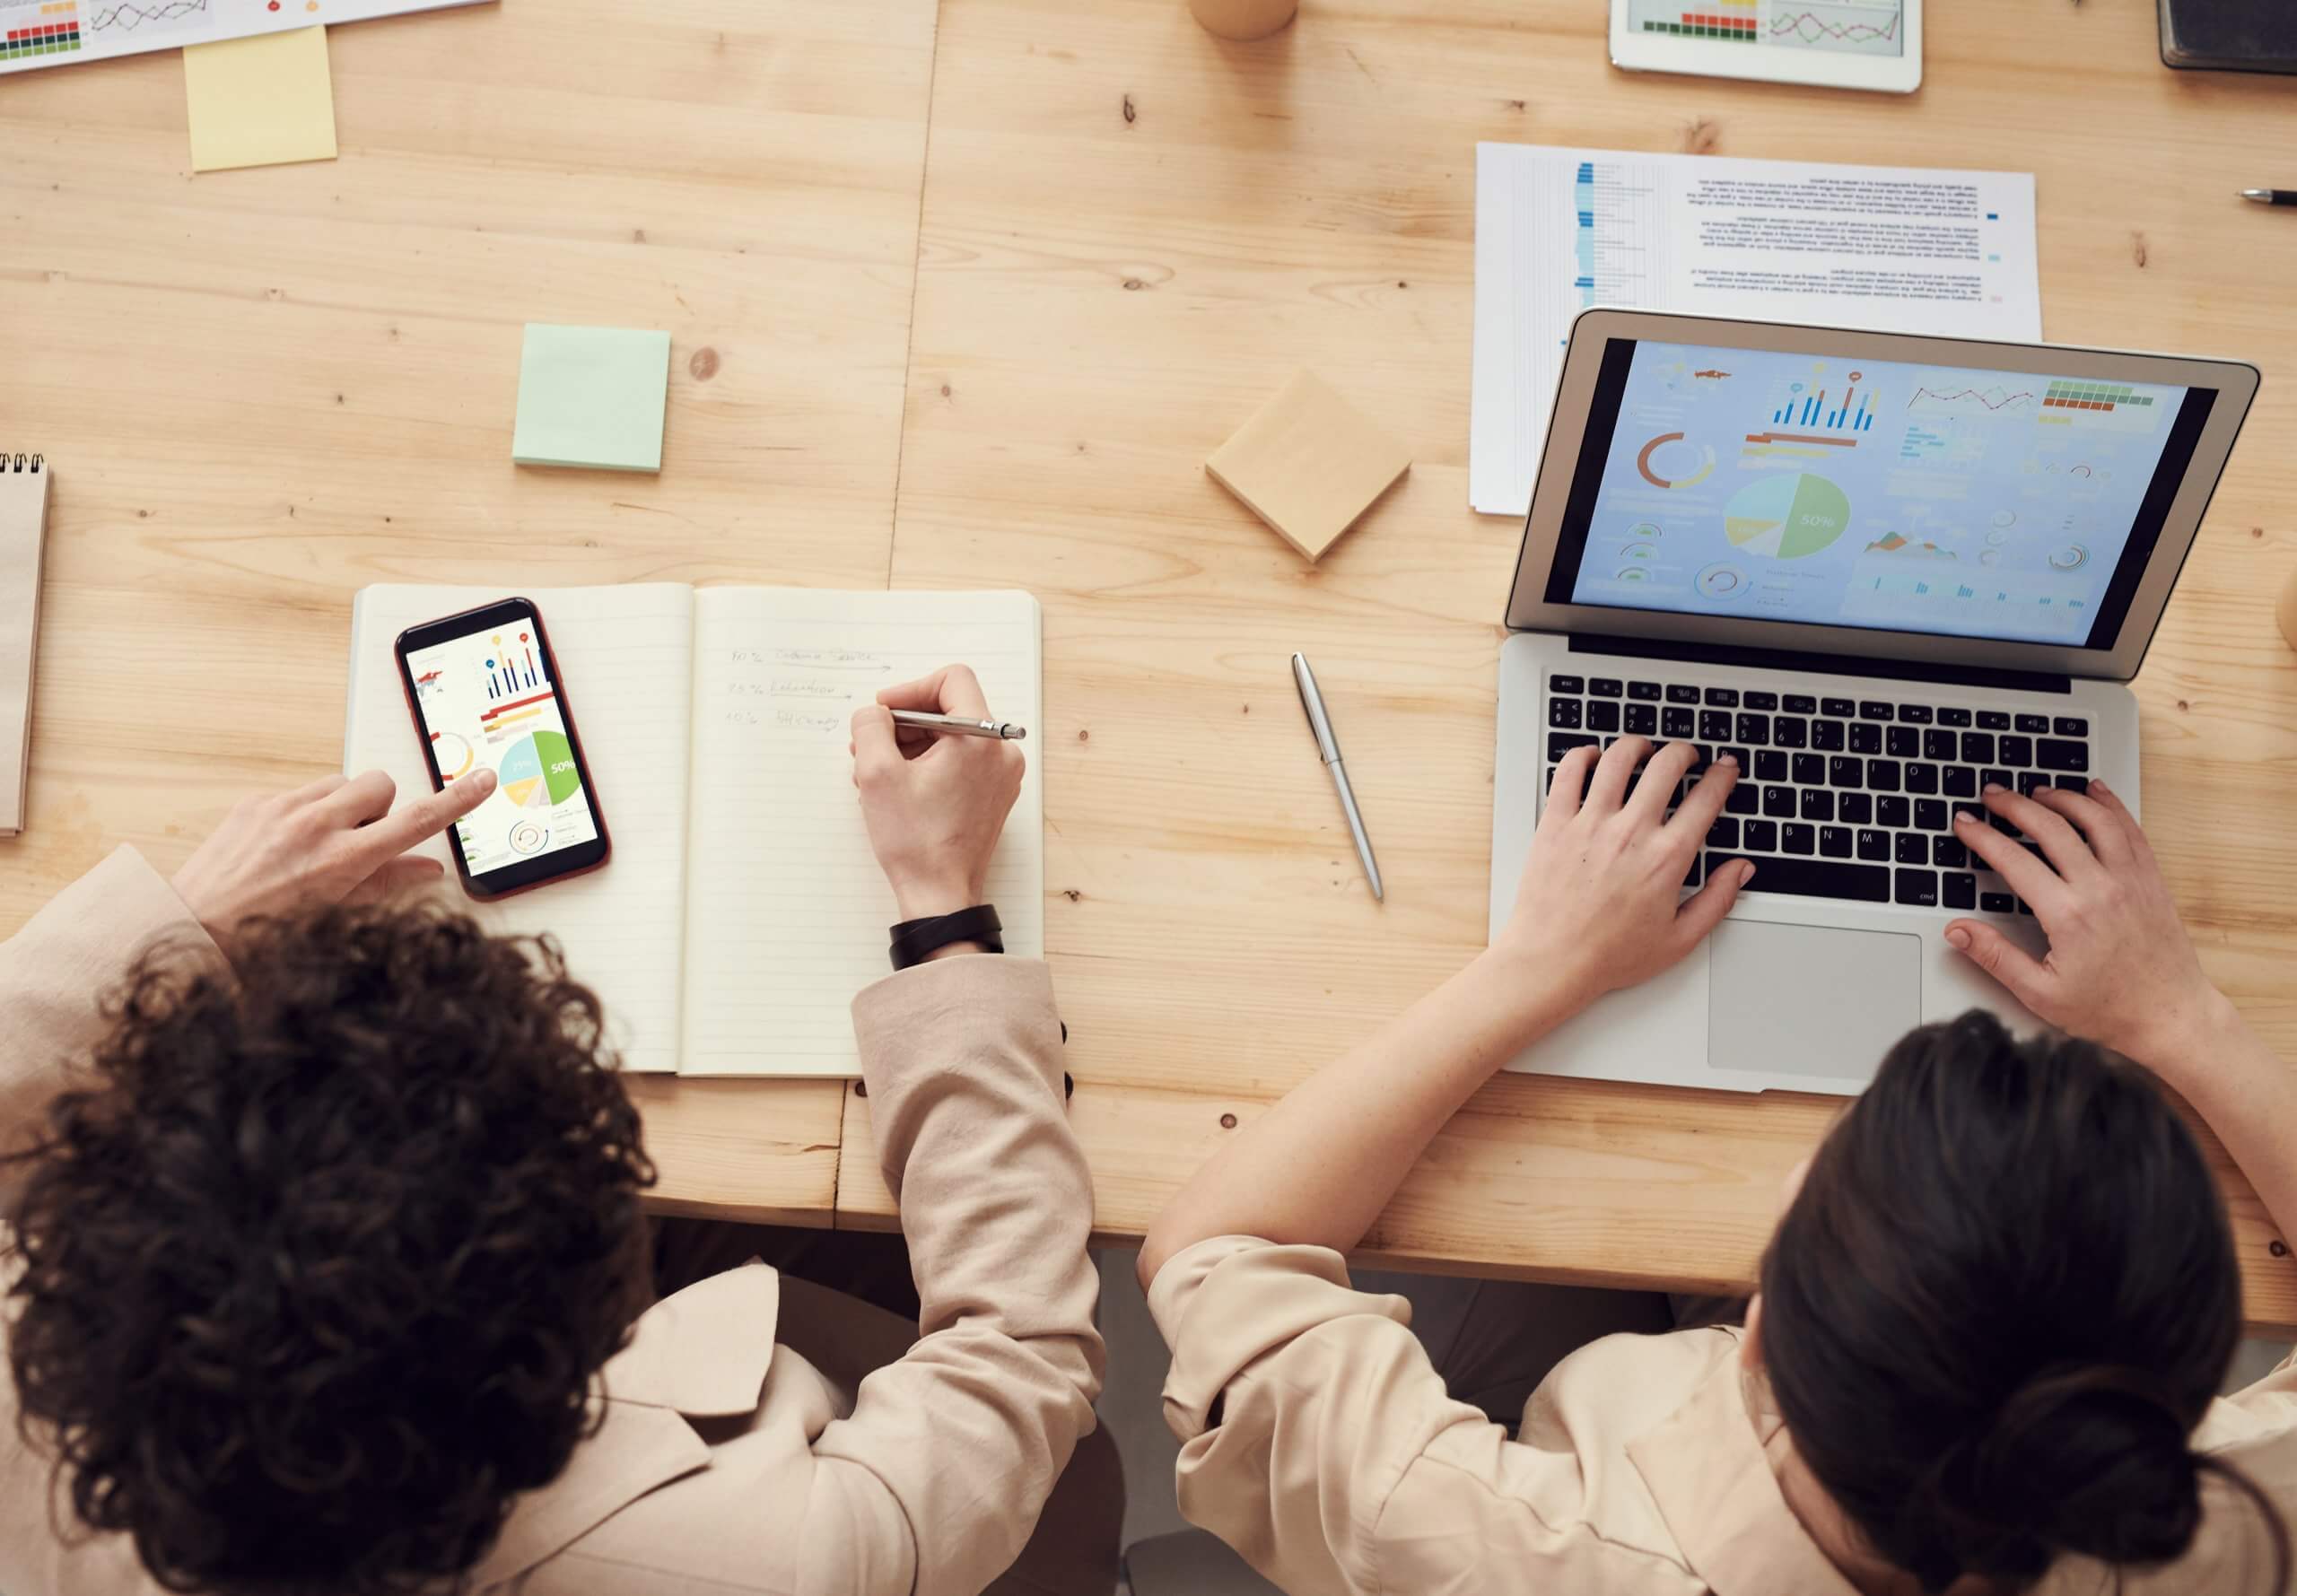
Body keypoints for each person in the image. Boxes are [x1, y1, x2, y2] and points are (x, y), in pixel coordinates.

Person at [0, 665, 1117, 1596]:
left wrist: (183, 928)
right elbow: (1015, 1361)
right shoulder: (764, 1562)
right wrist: (944, 910)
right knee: (1088, 1482)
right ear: (578, 1344)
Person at [1139, 735, 2297, 1595]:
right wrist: (2182, 1016)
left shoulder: (1501, 1544)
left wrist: (1536, 965)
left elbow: (1213, 1250)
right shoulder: (2234, 1531)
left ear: (1756, 1324)